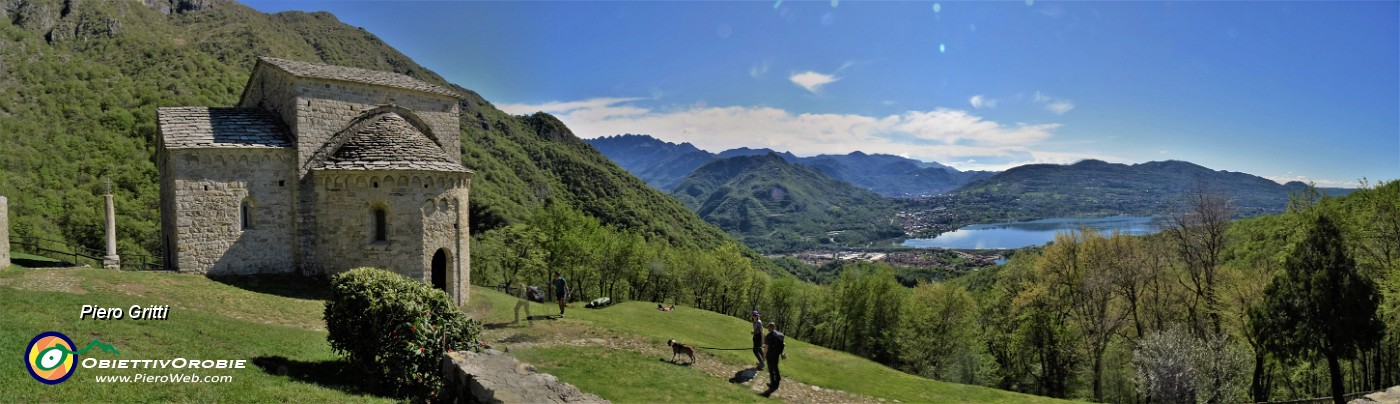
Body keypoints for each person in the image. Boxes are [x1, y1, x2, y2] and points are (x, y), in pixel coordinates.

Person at [760, 321, 788, 398]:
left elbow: (766, 347)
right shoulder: (780, 335)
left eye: (768, 327)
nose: (768, 328)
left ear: (770, 327)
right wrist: (782, 353)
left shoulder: (769, 336)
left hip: (770, 355)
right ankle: (778, 379)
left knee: (771, 369)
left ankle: (772, 384)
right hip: (776, 355)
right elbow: (783, 345)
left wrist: (764, 356)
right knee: (775, 367)